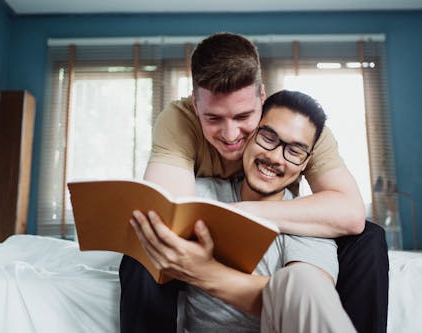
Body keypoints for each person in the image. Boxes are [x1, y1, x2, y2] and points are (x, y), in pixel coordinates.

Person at [120, 32, 388, 333]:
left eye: (244, 116)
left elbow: (350, 214)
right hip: (214, 232)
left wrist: (242, 211)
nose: (231, 134)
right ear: (196, 106)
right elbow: (169, 218)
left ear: (262, 99)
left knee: (368, 238)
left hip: (276, 222)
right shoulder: (178, 121)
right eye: (213, 119)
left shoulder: (298, 128)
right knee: (146, 245)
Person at [131, 90, 356, 332]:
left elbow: (308, 302)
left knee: (304, 280)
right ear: (250, 135)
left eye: (294, 151)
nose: (275, 158)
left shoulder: (313, 221)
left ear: (305, 163)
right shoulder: (197, 195)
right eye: (269, 138)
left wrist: (203, 271)